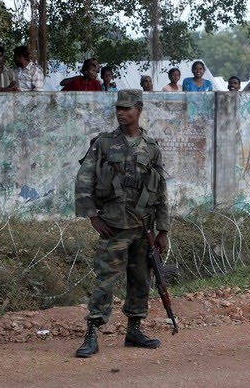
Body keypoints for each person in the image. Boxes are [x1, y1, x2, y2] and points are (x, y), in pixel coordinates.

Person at [74, 89, 170, 358]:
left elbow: (161, 191)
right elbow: (84, 180)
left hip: (143, 228)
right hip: (114, 225)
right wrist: (92, 216)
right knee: (105, 281)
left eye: (126, 108)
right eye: (118, 108)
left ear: (139, 109)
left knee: (141, 280)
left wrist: (163, 230)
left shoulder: (151, 148)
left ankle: (134, 330)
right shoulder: (104, 143)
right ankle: (92, 333)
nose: (120, 112)